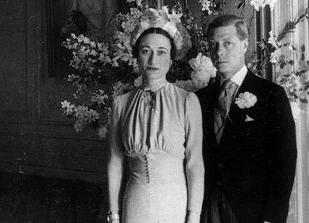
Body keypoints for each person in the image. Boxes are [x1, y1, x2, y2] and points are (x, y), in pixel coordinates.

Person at [196, 14, 297, 223]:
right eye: (213, 45)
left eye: (227, 43)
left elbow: (284, 161)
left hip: (252, 210)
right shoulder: (200, 98)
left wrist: (272, 217)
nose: (219, 51)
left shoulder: (271, 95)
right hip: (208, 207)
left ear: (244, 44)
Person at [107, 24, 204, 223]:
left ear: (171, 59)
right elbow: (115, 162)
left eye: (161, 52)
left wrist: (193, 216)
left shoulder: (187, 101)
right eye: (145, 51)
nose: (153, 60)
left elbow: (195, 164)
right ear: (137, 57)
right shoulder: (121, 104)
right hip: (135, 204)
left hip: (175, 204)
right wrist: (114, 214)